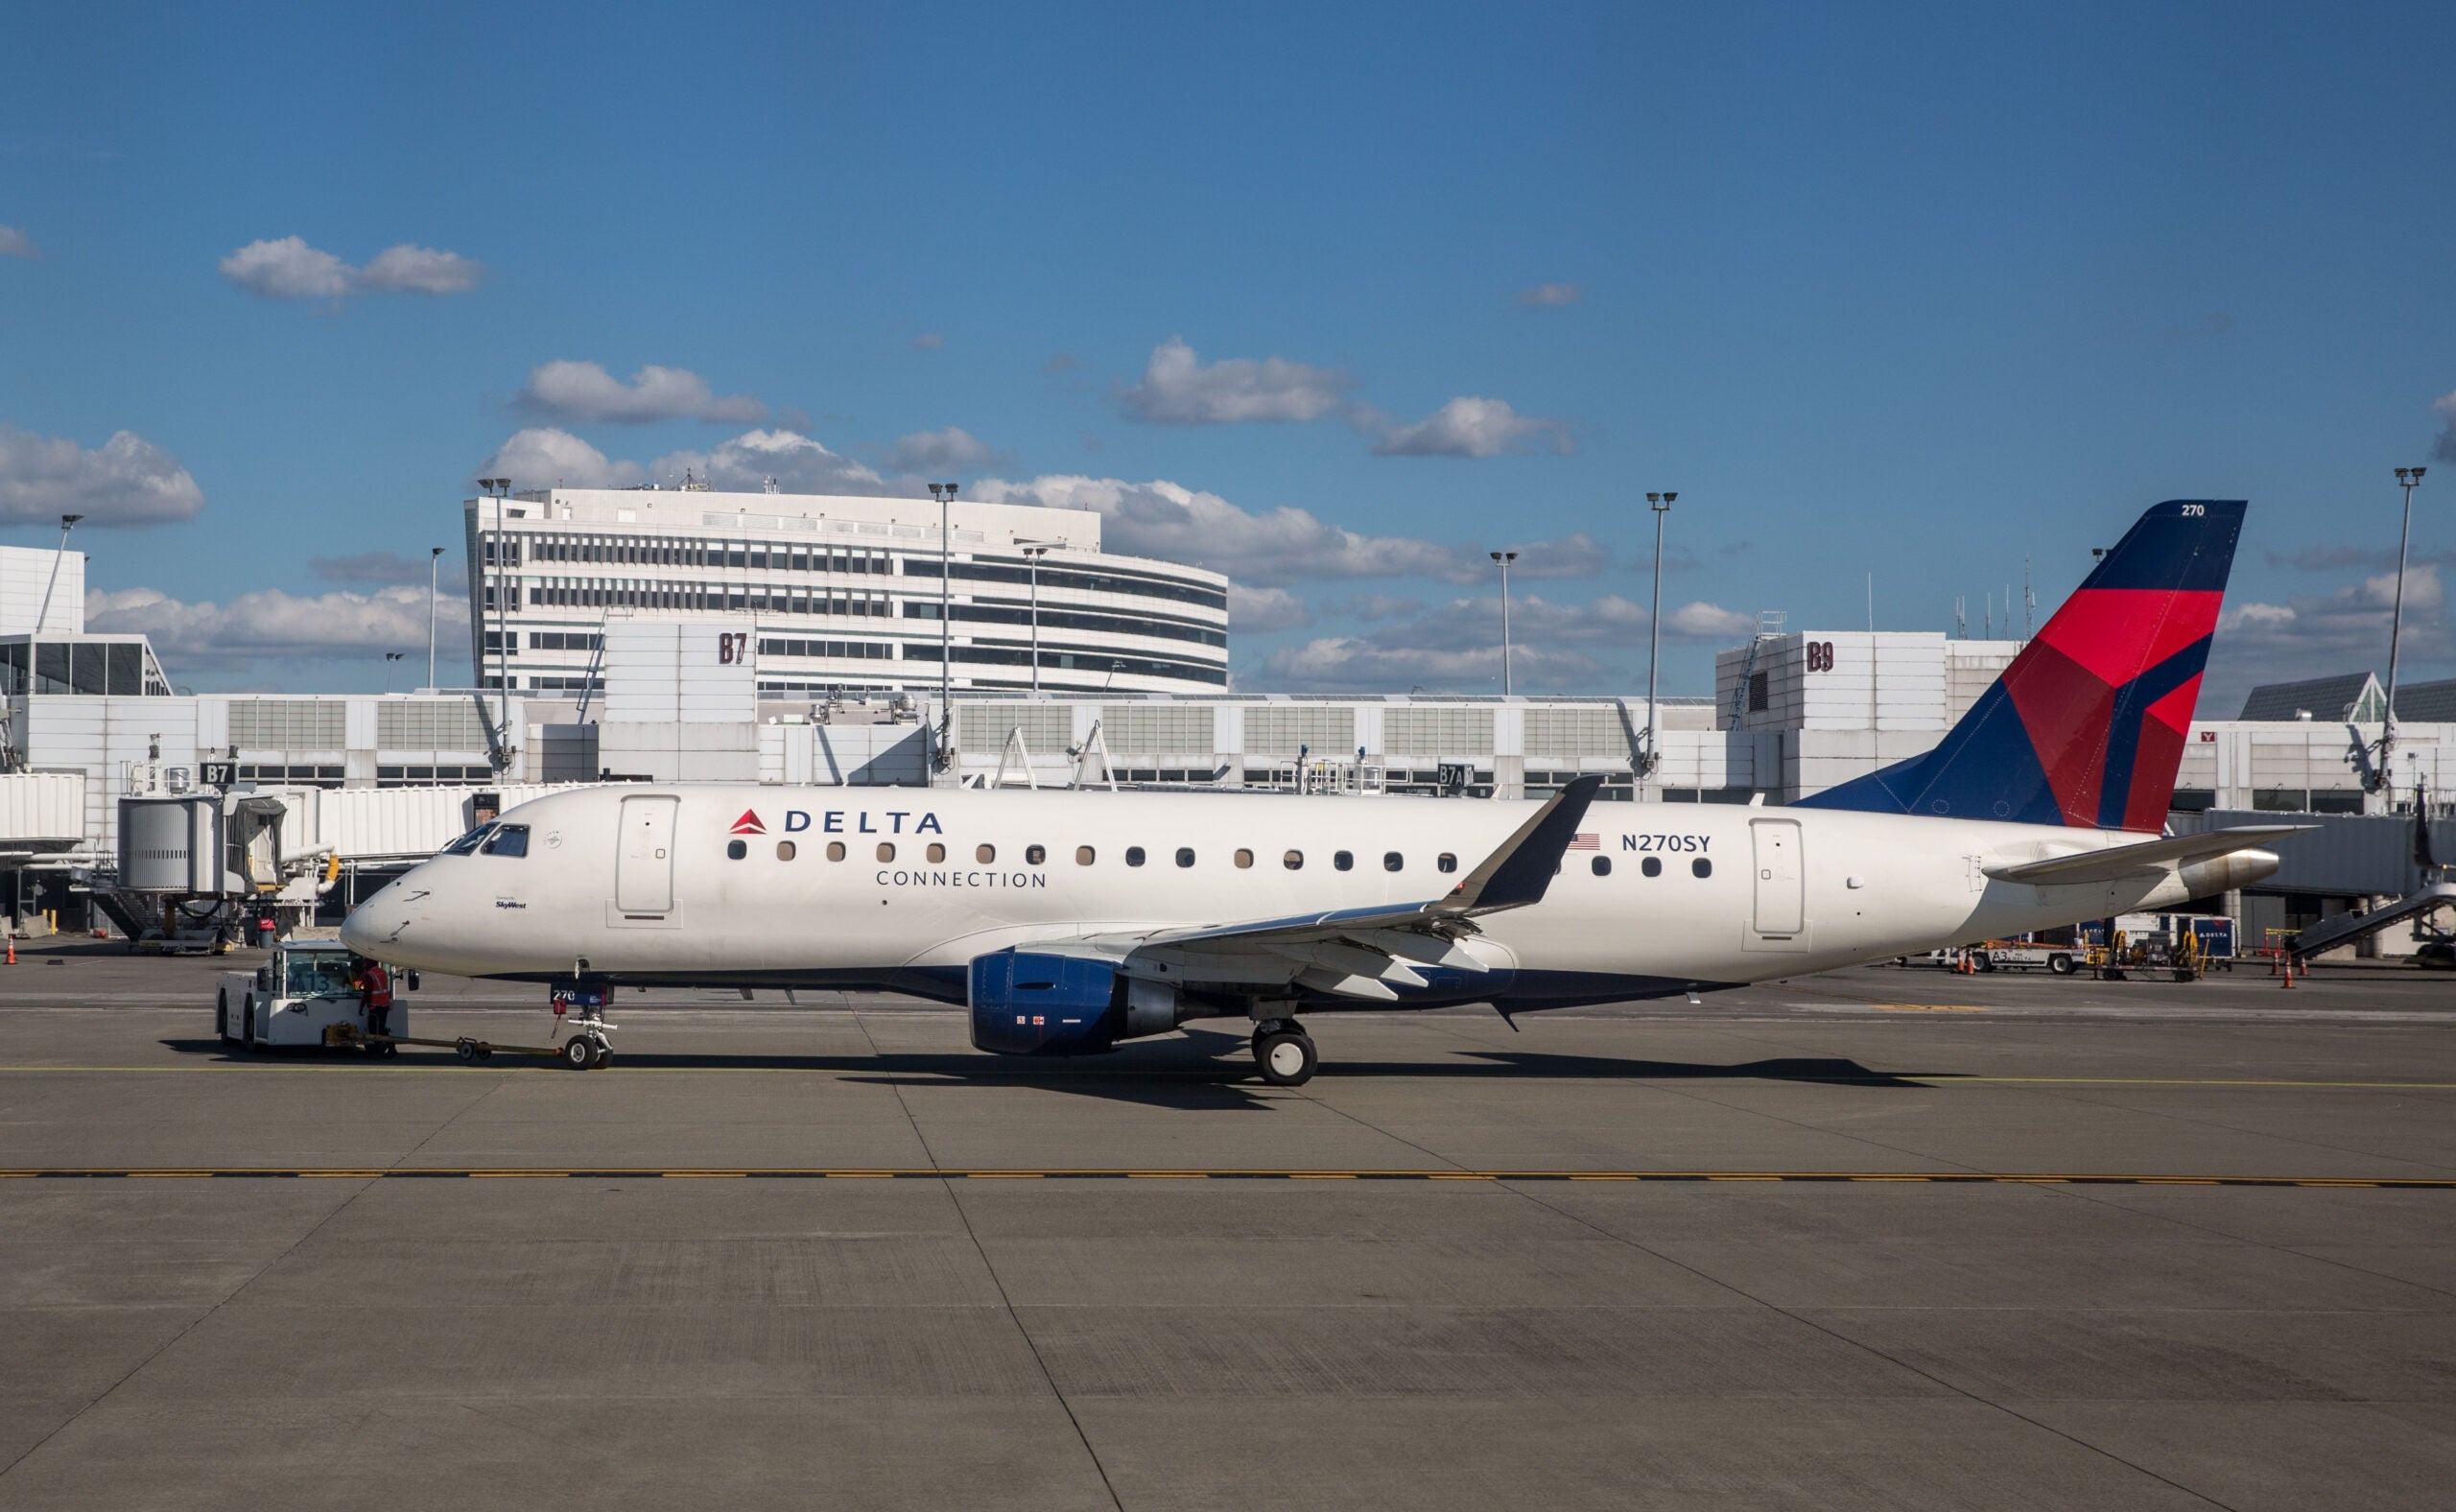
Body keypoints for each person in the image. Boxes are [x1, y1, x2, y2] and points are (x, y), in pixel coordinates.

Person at [360, 958, 393, 1040]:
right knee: (381, 1026)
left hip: (375, 1005)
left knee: (374, 1028)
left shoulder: (370, 975)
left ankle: (380, 1045)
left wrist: (361, 1007)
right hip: (385, 1004)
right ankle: (388, 1044)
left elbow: (367, 992)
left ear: (368, 964)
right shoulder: (383, 972)